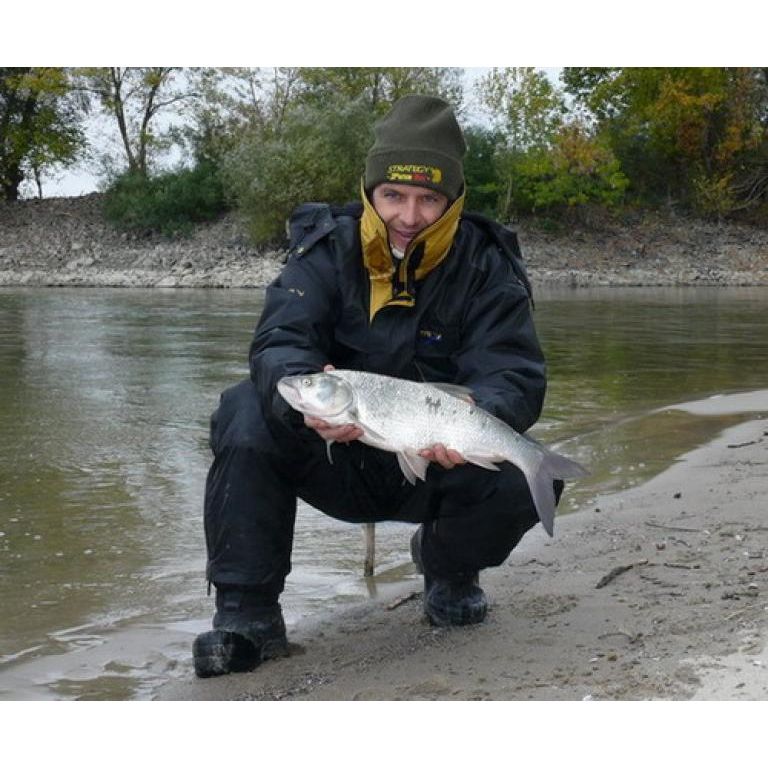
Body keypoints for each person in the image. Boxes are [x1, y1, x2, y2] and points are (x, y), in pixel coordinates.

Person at [193, 94, 560, 678]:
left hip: (436, 463)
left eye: (427, 198)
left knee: (524, 474)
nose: (409, 216)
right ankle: (247, 614)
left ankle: (447, 570)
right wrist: (303, 405)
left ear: (452, 200)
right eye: (393, 195)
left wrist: (473, 415)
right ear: (369, 192)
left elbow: (514, 375)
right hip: (333, 451)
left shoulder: (488, 266)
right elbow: (278, 344)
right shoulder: (324, 248)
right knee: (243, 409)